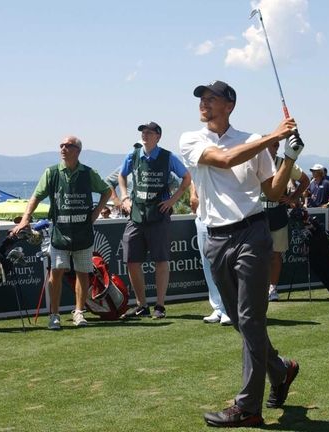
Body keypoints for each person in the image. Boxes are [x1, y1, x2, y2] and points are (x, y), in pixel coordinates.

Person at [179, 80, 302, 427]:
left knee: (250, 319)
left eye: (211, 98)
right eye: (201, 98)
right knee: (239, 320)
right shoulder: (192, 139)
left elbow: (274, 192)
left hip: (251, 233)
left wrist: (289, 157)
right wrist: (273, 137)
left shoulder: (252, 141)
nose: (203, 103)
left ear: (229, 105)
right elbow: (224, 159)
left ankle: (248, 407)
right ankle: (280, 369)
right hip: (215, 239)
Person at [11, 135, 111, 330]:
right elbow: (36, 197)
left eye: (68, 146)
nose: (63, 148)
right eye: (61, 145)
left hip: (83, 233)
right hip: (59, 233)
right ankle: (54, 315)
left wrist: (96, 212)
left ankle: (79, 312)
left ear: (77, 150)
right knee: (55, 273)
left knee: (83, 273)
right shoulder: (51, 173)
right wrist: (25, 219)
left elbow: (106, 191)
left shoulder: (88, 173)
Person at [117, 121, 191, 319]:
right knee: (132, 260)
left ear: (158, 136)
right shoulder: (133, 156)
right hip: (136, 215)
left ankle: (160, 305)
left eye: (149, 132)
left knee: (161, 260)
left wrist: (172, 200)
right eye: (143, 132)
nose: (145, 135)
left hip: (159, 214)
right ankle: (142, 305)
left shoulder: (168, 157)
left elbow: (186, 178)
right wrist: (124, 197)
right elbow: (121, 176)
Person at [266, 141, 310, 302]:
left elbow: (305, 181)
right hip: (257, 213)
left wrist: (292, 198)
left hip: (277, 212)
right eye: (271, 145)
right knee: (255, 254)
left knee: (276, 253)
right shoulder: (254, 162)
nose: (273, 148)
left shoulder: (284, 164)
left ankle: (272, 288)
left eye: (275, 145)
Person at [189, 184, 231, 325]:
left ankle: (228, 310)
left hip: (222, 219)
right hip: (202, 219)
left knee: (222, 265)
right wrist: (193, 194)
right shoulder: (197, 163)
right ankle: (218, 308)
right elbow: (193, 178)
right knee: (207, 265)